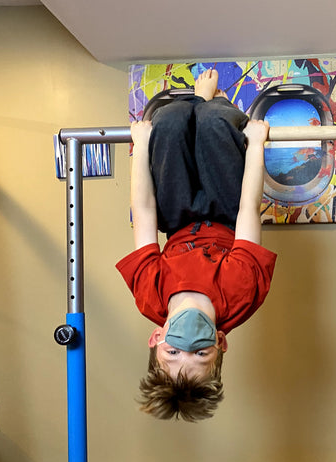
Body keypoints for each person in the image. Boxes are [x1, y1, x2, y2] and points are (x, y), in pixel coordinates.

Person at [116, 69, 277, 422]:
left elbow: (143, 211)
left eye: (173, 352)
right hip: (227, 210)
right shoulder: (239, 295)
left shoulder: (150, 294)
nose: (187, 346)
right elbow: (250, 209)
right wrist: (256, 145)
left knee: (169, 120)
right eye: (201, 354)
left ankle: (198, 100)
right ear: (221, 343)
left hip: (177, 216)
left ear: (156, 338)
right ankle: (208, 104)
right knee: (217, 122)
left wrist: (140, 147)